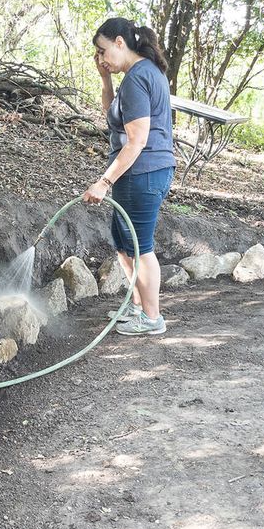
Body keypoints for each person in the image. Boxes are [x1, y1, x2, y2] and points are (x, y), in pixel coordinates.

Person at [82, 17, 175, 336]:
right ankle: (137, 307)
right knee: (124, 242)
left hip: (143, 171)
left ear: (120, 43)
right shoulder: (142, 73)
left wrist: (104, 181)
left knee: (140, 246)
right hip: (141, 171)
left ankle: (152, 318)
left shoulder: (138, 77)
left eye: (103, 50)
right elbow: (114, 119)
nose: (102, 58)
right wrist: (105, 81)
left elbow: (137, 140)